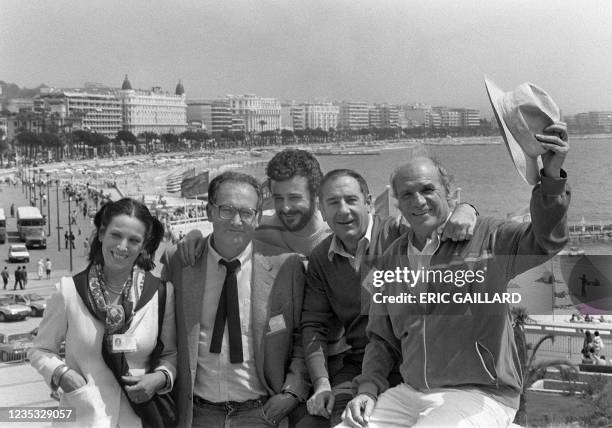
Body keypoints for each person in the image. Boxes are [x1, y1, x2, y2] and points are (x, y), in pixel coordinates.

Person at [340, 121, 569, 427]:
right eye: (407, 194)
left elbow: (546, 241)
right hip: (410, 393)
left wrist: (551, 177)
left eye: (427, 189)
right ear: (397, 203)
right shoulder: (390, 259)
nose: (418, 201)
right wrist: (367, 390)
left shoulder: (487, 237)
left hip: (481, 394)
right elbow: (381, 339)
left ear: (448, 192)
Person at [161, 171, 309, 428]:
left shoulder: (287, 267)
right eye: (226, 210)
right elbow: (162, 332)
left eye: (246, 212)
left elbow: (302, 335)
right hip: (197, 414)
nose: (237, 221)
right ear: (209, 212)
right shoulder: (180, 261)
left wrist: (292, 391)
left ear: (258, 218)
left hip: (261, 413)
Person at [29, 198, 176, 427]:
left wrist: (159, 379)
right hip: (83, 417)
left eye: (133, 240)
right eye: (116, 235)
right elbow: (40, 350)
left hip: (138, 419)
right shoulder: (70, 291)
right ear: (101, 235)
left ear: (144, 245)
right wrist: (61, 374)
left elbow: (171, 355)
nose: (122, 247)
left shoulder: (159, 293)